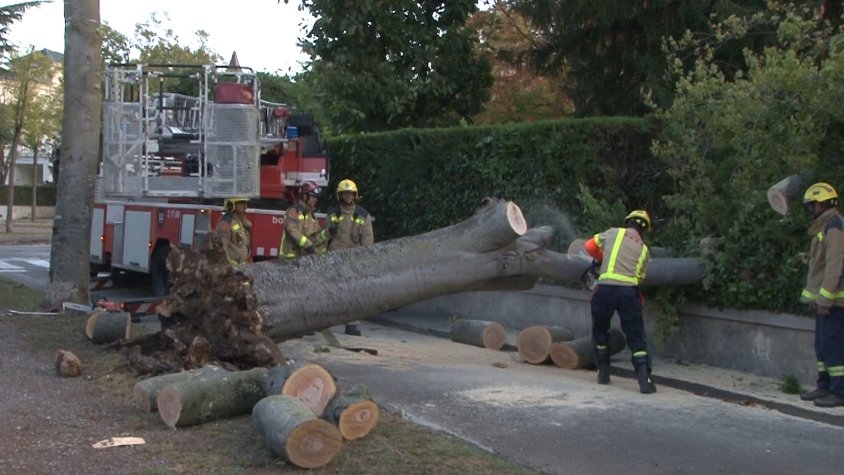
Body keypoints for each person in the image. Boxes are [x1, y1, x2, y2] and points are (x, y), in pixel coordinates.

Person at [583, 209, 656, 394]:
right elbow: (639, 278)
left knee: (600, 330)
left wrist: (602, 258)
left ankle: (603, 373)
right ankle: (644, 381)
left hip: (605, 290)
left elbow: (589, 247)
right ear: (644, 230)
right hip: (628, 294)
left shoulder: (614, 232)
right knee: (636, 337)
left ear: (628, 222)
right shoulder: (644, 250)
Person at [798, 182, 844, 408]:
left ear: (823, 203)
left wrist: (825, 299)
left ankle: (839, 391)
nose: (810, 210)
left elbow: (835, 265)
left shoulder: (834, 226)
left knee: (834, 346)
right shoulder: (825, 225)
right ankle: (824, 385)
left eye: (813, 205)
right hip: (826, 300)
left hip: (835, 301)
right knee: (822, 345)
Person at [326, 179, 375, 336]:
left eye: (350, 193)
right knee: (332, 290)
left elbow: (367, 239)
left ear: (355, 195)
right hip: (335, 256)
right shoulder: (334, 213)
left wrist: (365, 259)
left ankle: (352, 324)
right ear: (340, 195)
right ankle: (323, 322)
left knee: (354, 291)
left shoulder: (363, 215)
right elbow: (325, 235)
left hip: (354, 257)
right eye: (345, 193)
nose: (348, 196)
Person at [280, 180, 329, 259]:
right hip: (289, 259)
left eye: (316, 197)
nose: (316, 200)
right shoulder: (293, 211)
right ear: (305, 196)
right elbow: (291, 230)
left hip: (303, 259)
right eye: (313, 197)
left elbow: (316, 236)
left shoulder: (311, 215)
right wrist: (308, 244)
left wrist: (328, 232)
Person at [215, 197, 252, 265]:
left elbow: (246, 244)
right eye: (240, 203)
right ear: (232, 205)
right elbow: (221, 246)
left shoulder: (240, 221)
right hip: (232, 267)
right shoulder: (226, 222)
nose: (243, 206)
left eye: (244, 203)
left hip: (241, 266)